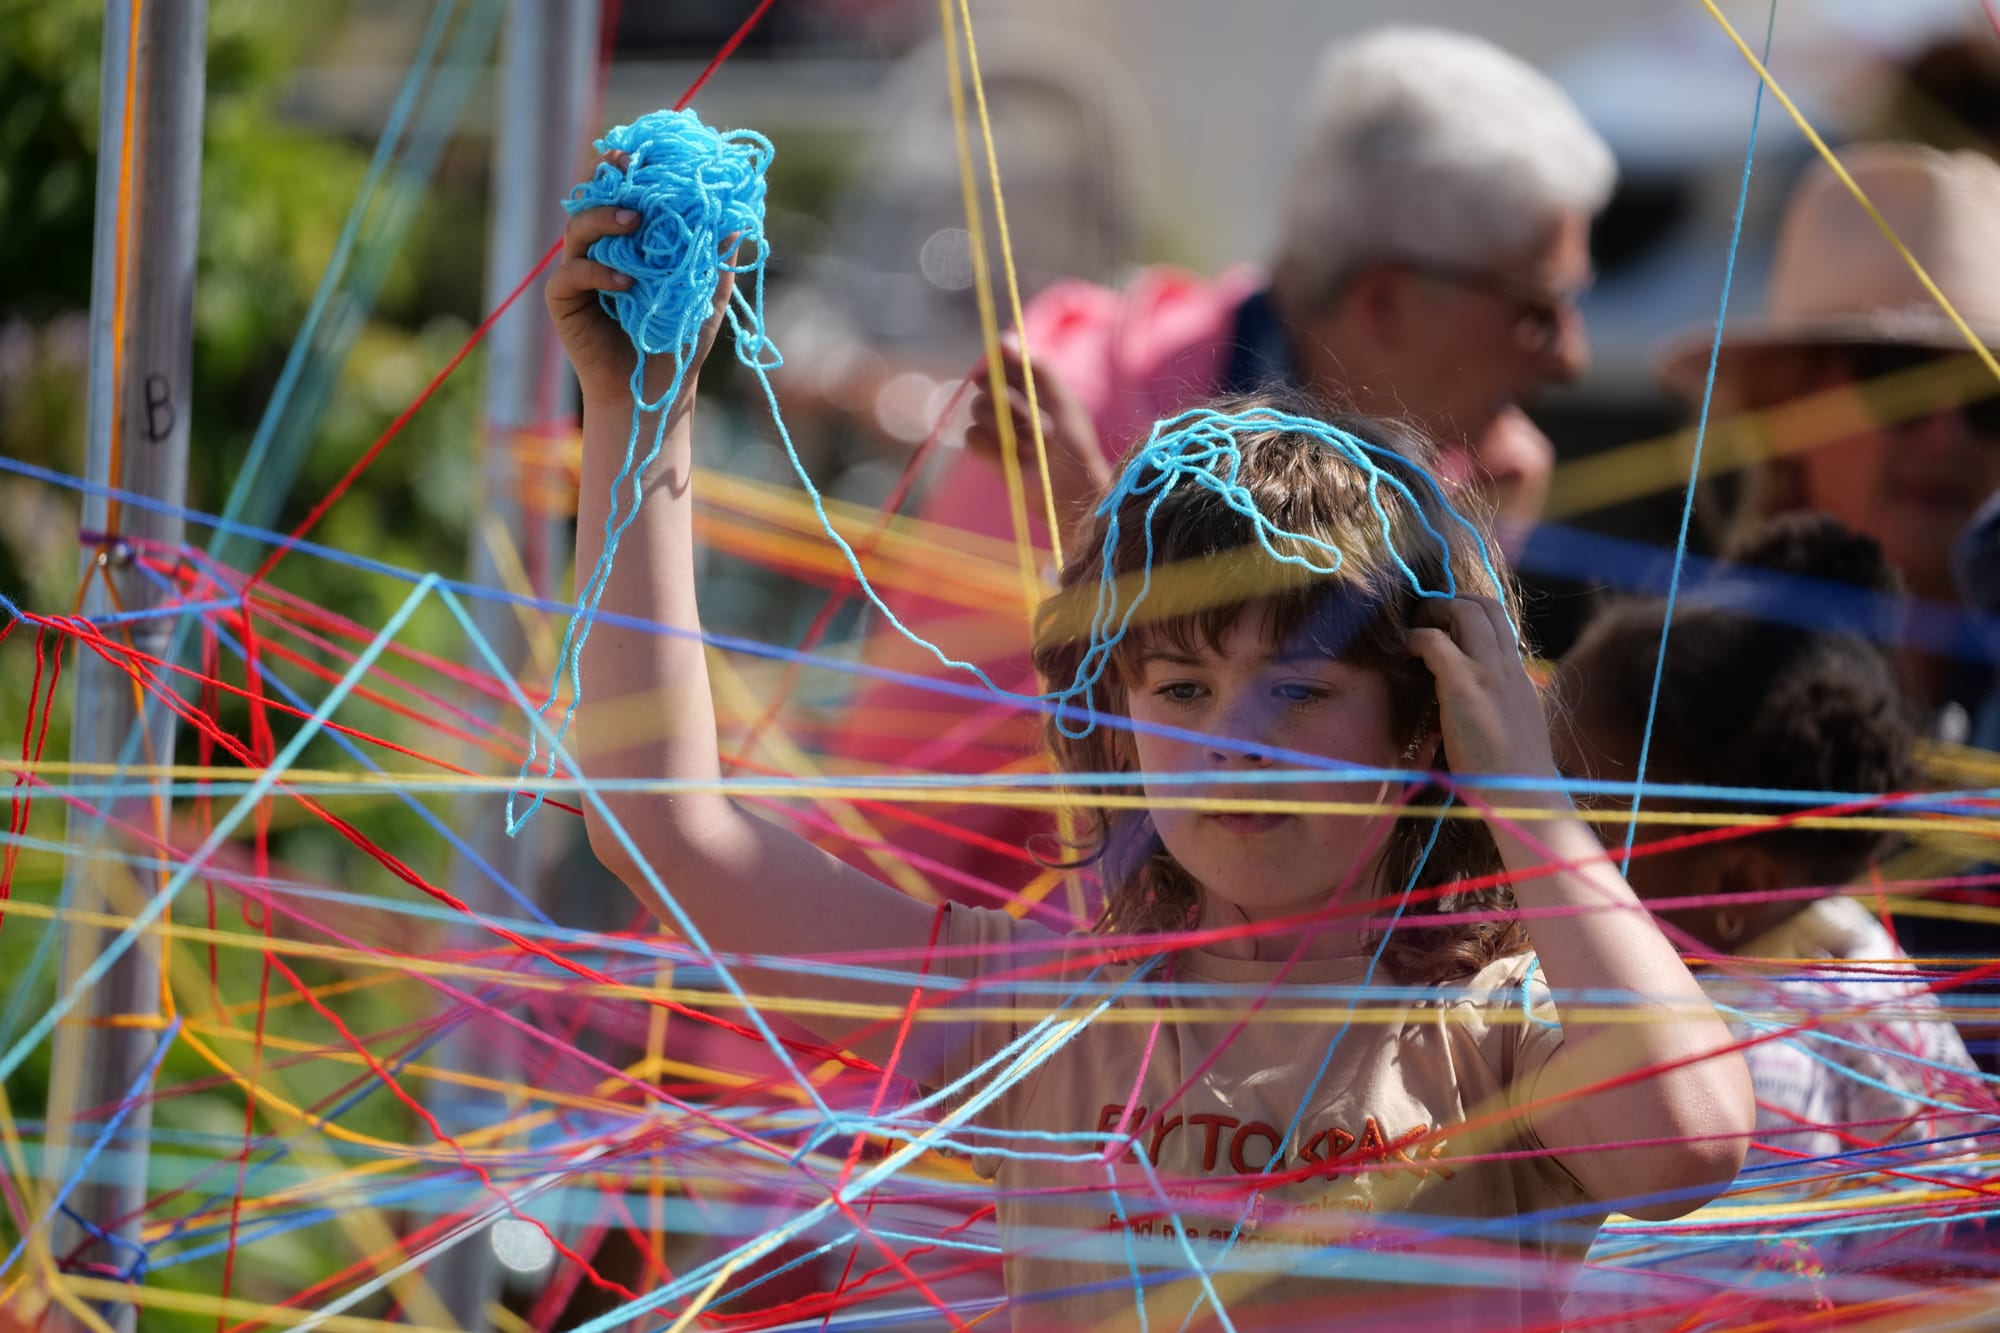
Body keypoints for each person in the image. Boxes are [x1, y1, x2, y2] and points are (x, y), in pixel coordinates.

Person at [546, 194, 1752, 1329]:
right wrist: (640, 410)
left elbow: (1686, 1142)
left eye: (1298, 689)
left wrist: (1526, 798)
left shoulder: (1500, 1027)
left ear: (1424, 725)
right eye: (1181, 688)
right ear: (1122, 731)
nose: (1232, 741)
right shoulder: (1043, 1020)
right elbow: (662, 823)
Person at [837, 25, 1615, 906]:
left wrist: (1484, 566)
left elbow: (1421, 828)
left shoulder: (1474, 471)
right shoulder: (1074, 407)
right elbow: (892, 826)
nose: (1570, 358)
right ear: (1386, 300)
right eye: (1539, 310)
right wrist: (1098, 532)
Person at [1554, 514, 1993, 1323]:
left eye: (1576, 807)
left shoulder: (1758, 1064)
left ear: (1733, 884)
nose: (1532, 827)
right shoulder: (1838, 952)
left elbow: (1634, 1304)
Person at [1658, 143, 2000, 733]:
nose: (1945, 434)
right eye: (1900, 376)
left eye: (1988, 395)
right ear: (1788, 400)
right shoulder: (1684, 697)